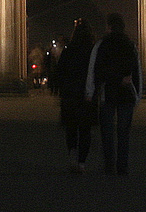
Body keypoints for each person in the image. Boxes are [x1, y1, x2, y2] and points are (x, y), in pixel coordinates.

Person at [93, 13, 139, 176]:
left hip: (109, 93)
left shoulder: (102, 44)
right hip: (127, 94)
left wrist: (92, 91)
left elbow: (97, 70)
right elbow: (136, 71)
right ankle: (122, 166)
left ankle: (109, 165)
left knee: (107, 131)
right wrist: (137, 95)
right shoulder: (130, 45)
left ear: (109, 26)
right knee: (123, 132)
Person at [51, 20, 96, 173]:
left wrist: (59, 90)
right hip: (87, 96)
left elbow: (59, 72)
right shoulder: (92, 51)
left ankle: (72, 155)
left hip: (70, 95)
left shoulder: (68, 51)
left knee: (71, 128)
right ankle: (82, 162)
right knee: (85, 130)